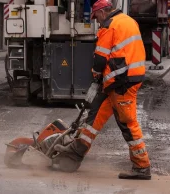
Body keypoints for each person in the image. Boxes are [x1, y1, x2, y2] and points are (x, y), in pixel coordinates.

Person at [53, 0, 151, 180]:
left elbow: (100, 59)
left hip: (122, 82)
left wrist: (95, 75)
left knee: (127, 124)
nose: (96, 21)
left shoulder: (109, 26)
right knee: (94, 118)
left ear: (103, 12)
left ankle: (142, 167)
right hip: (119, 80)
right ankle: (74, 154)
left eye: (96, 16)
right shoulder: (129, 21)